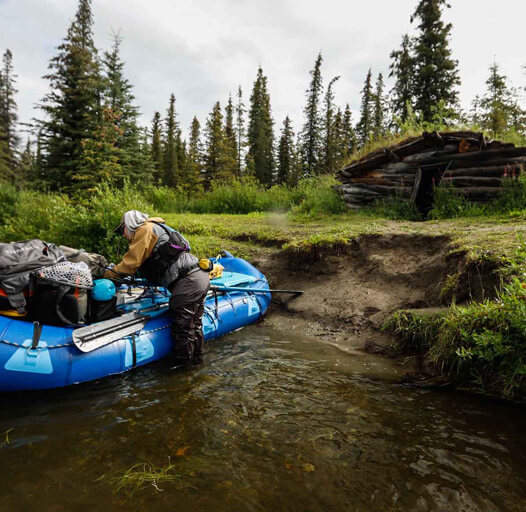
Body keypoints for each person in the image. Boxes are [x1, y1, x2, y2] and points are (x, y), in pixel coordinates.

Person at [105, 210, 210, 364]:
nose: (123, 234)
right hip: (199, 277)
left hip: (188, 281)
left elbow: (130, 264)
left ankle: (183, 369)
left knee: (183, 329)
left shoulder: (144, 230)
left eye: (123, 230)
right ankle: (196, 363)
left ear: (129, 225)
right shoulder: (156, 227)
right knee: (194, 326)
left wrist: (108, 274)